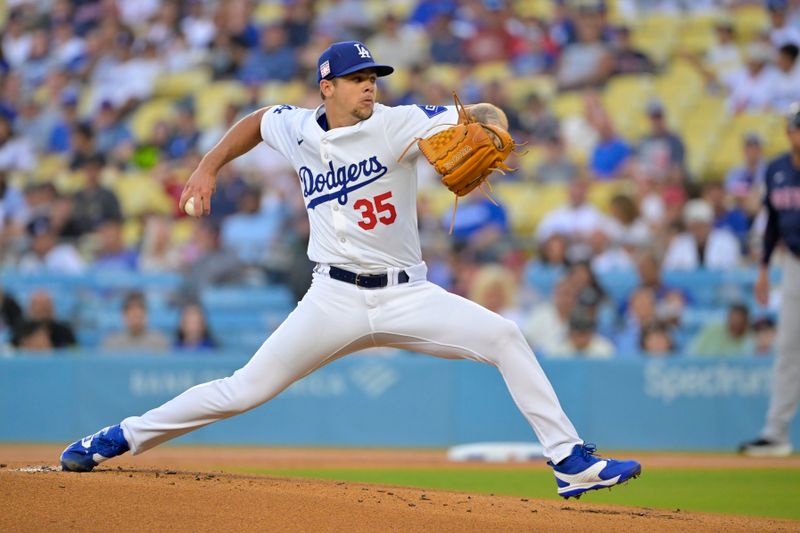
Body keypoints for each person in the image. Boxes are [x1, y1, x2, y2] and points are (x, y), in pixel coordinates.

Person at [59, 40, 640, 498]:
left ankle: (570, 462)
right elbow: (259, 120)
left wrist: (488, 129)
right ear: (327, 87)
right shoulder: (297, 127)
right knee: (243, 389)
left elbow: (474, 120)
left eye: (373, 79)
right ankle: (119, 438)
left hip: (406, 295)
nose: (370, 88)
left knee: (505, 336)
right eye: (360, 79)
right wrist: (209, 166)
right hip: (331, 299)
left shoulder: (399, 121)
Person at [740, 103, 800, 457]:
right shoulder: (777, 169)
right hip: (792, 263)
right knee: (787, 351)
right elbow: (774, 223)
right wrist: (763, 267)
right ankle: (776, 432)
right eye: (795, 126)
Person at [101, 291, 170, 353]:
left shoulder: (160, 342)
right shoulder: (111, 343)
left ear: (146, 315)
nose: (136, 314)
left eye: (140, 309)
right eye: (131, 310)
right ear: (123, 315)